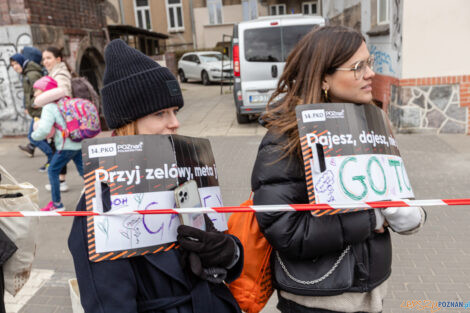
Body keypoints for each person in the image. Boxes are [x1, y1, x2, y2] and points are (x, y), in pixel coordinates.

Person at [251, 26, 426, 313]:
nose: (370, 73)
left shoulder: (372, 123)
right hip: (318, 298)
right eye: (358, 67)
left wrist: (407, 213)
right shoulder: (285, 137)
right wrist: (369, 219)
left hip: (370, 294)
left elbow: (395, 198)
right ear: (324, 78)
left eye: (370, 63)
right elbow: (283, 229)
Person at [68, 39, 243, 313]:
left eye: (174, 111)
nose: (175, 122)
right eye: (160, 113)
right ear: (128, 123)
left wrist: (228, 252)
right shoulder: (100, 204)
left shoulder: (184, 176)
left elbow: (224, 265)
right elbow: (110, 304)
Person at [30, 76, 83, 211]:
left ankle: (56, 204)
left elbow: (44, 129)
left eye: (37, 90)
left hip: (65, 146)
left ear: (46, 91)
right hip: (78, 142)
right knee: (85, 172)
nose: (35, 94)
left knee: (53, 170)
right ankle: (102, 193)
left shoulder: (49, 107)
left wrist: (34, 135)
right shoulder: (65, 101)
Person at [34, 46, 73, 192]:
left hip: (62, 119)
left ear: (58, 59)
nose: (45, 61)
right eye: (44, 59)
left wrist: (39, 100)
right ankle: (60, 181)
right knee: (62, 149)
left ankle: (60, 182)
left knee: (63, 150)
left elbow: (63, 92)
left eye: (48, 58)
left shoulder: (60, 73)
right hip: (58, 118)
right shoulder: (54, 72)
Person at [10, 51, 53, 168]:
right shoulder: (27, 73)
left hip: (40, 111)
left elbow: (39, 92)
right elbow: (29, 93)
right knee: (38, 136)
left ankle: (52, 158)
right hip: (36, 110)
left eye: (16, 64)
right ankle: (52, 159)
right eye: (12, 65)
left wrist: (34, 106)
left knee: (33, 136)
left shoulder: (31, 74)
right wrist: (28, 107)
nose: (14, 67)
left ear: (21, 62)